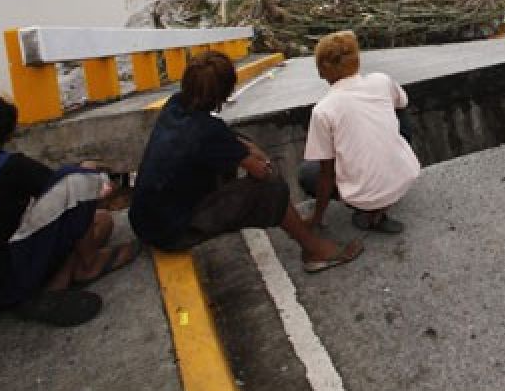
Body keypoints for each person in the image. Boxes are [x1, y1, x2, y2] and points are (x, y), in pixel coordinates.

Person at [129, 51, 362, 271]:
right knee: (271, 187)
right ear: (225, 92)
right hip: (170, 232)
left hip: (144, 220)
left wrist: (244, 150)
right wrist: (260, 157)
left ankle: (288, 222)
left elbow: (226, 141)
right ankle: (313, 249)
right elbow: (262, 172)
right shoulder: (208, 131)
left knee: (238, 149)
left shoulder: (175, 105)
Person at [0, 93, 138, 327]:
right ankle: (80, 270)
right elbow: (69, 191)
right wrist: (90, 173)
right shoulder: (13, 168)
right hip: (3, 286)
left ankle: (65, 272)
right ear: (9, 131)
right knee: (100, 220)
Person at [300, 31, 420, 234]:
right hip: (405, 179)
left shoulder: (323, 110)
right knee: (400, 113)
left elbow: (326, 174)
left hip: (362, 197)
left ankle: (367, 209)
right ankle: (387, 185)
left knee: (307, 172)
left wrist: (316, 218)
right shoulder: (381, 80)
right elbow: (402, 103)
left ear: (322, 71)